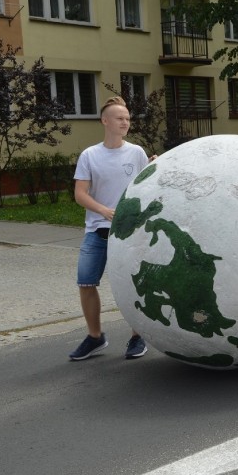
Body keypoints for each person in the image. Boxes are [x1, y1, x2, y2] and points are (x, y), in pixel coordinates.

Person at [69, 96, 152, 360]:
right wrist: (103, 210)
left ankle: (137, 336)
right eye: (120, 118)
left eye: (128, 119)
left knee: (133, 284)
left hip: (129, 232)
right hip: (98, 231)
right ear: (105, 121)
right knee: (85, 282)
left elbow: (146, 185)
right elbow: (80, 194)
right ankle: (95, 337)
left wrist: (156, 167)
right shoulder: (90, 155)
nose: (125, 122)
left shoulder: (136, 153)